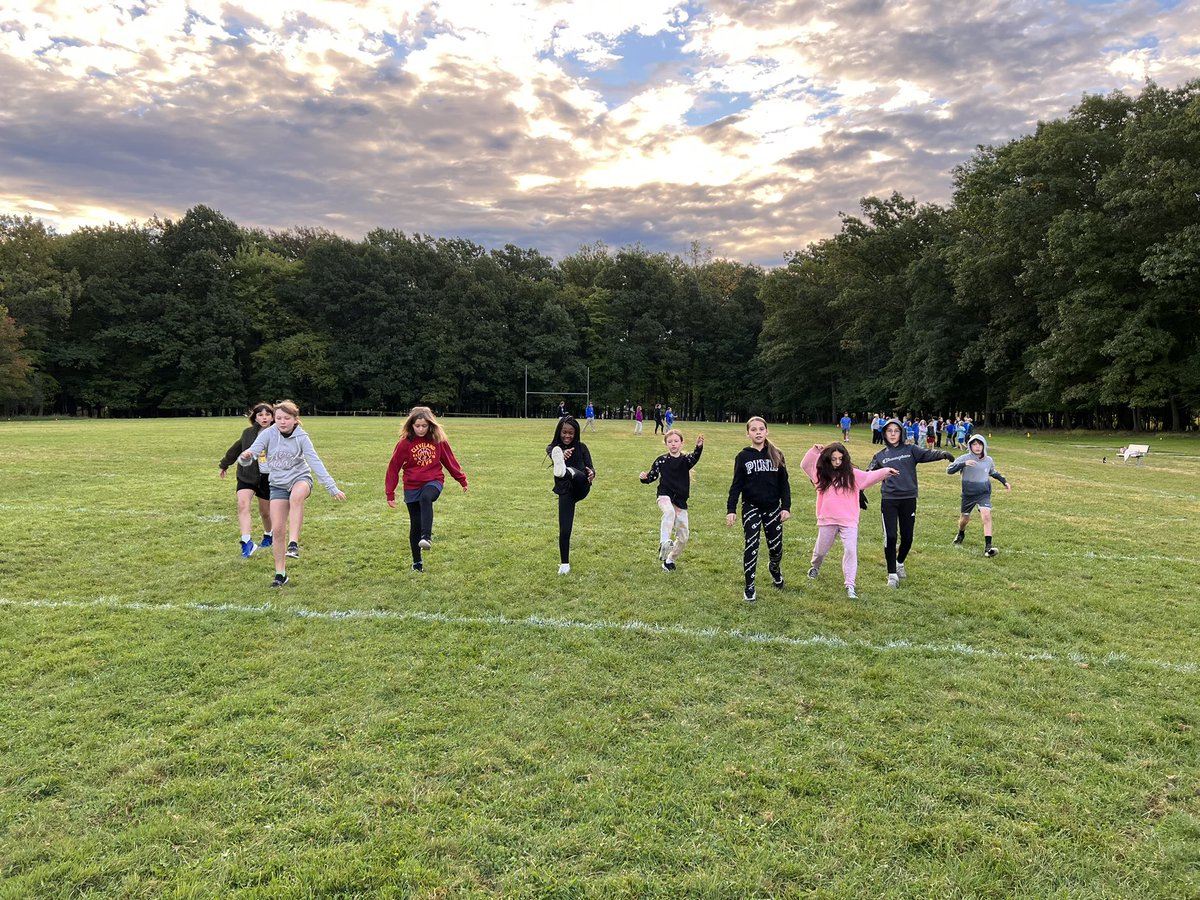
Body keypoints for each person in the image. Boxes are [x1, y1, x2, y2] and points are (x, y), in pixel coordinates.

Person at [239, 399, 345, 587]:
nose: (281, 421)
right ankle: (281, 574)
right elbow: (252, 453)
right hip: (277, 485)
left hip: (300, 479)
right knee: (278, 530)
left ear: (295, 419)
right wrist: (246, 457)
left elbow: (315, 462)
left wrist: (332, 487)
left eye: (286, 418)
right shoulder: (269, 434)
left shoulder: (302, 437)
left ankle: (293, 543)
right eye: (278, 418)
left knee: (296, 497)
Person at [800, 442, 897, 599]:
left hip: (849, 521)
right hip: (828, 520)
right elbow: (805, 465)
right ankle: (815, 566)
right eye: (833, 459)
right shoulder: (820, 475)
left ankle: (850, 585)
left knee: (851, 551)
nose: (837, 462)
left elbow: (868, 477)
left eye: (840, 459)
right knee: (820, 550)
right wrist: (813, 451)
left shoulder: (852, 474)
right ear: (827, 459)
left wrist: (886, 471)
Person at [866, 418, 954, 588]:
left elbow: (927, 454)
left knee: (907, 538)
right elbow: (868, 474)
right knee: (890, 537)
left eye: (896, 430)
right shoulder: (880, 456)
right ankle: (892, 574)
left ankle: (899, 562)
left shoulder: (910, 449)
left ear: (901, 432)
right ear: (884, 433)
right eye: (889, 431)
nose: (892, 434)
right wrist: (859, 489)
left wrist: (942, 454)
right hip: (889, 500)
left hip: (908, 499)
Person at [384, 406, 469, 572]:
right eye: (417, 426)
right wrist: (390, 492)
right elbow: (393, 467)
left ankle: (427, 537)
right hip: (411, 485)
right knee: (415, 524)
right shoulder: (404, 444)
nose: (421, 429)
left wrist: (462, 479)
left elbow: (449, 461)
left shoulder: (438, 441)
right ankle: (417, 563)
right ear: (411, 425)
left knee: (426, 497)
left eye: (424, 426)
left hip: (433, 481)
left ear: (430, 425)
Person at [726, 416, 791, 603]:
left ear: (767, 431)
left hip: (773, 508)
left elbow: (784, 485)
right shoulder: (743, 456)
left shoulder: (777, 454)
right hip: (751, 507)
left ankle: (775, 569)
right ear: (748, 433)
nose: (758, 432)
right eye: (753, 430)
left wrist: (785, 507)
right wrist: (731, 509)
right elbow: (736, 485)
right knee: (752, 544)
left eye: (761, 429)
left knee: (776, 548)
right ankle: (749, 586)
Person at [640, 429, 704, 571]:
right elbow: (652, 476)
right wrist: (644, 477)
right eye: (670, 441)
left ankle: (669, 560)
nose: (673, 444)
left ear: (681, 443)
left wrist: (699, 447)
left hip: (680, 501)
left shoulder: (686, 461)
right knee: (669, 512)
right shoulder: (661, 460)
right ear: (666, 444)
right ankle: (664, 543)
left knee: (683, 537)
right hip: (664, 495)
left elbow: (695, 456)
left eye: (676, 441)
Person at [218, 402, 275, 558]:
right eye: (260, 415)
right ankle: (247, 542)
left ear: (272, 417)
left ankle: (269, 534)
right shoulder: (248, 433)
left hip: (267, 478)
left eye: (267, 414)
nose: (264, 418)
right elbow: (236, 448)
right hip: (247, 475)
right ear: (255, 418)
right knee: (243, 504)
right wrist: (224, 464)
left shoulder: (278, 433)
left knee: (265, 513)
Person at [947, 435, 1011, 556]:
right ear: (970, 446)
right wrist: (963, 464)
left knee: (986, 515)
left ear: (984, 445)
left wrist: (1004, 481)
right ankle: (961, 533)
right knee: (964, 520)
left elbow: (993, 472)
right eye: (974, 444)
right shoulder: (964, 458)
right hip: (968, 495)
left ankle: (988, 547)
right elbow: (949, 470)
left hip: (983, 493)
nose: (977, 447)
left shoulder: (988, 460)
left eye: (980, 444)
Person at [547, 416, 595, 574]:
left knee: (578, 475)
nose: (567, 436)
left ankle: (568, 471)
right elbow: (551, 449)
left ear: (576, 433)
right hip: (565, 491)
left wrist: (592, 473)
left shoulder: (582, 447)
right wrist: (560, 454)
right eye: (564, 432)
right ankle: (564, 564)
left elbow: (591, 468)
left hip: (581, 487)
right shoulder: (554, 448)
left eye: (571, 433)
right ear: (559, 432)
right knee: (565, 529)